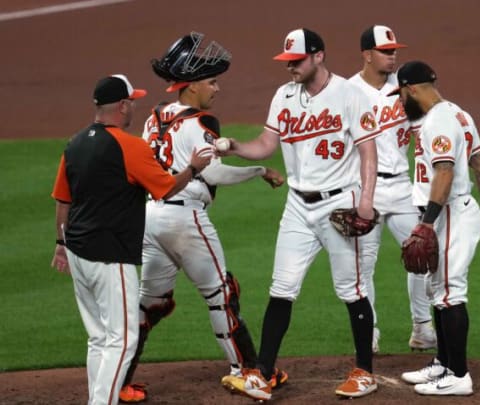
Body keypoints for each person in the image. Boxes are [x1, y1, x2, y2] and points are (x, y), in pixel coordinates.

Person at [117, 32, 286, 403]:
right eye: (211, 81)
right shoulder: (203, 121)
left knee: (149, 305)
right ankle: (248, 374)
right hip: (185, 220)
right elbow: (213, 174)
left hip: (150, 218)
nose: (217, 88)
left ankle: (121, 382)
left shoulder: (154, 117)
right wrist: (258, 173)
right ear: (191, 86)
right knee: (221, 295)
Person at [219, 28, 381, 400]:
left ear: (319, 56)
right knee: (282, 288)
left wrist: (366, 200)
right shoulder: (284, 95)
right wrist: (234, 146)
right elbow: (266, 144)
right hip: (297, 204)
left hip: (340, 202)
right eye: (287, 61)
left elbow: (368, 152)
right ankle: (262, 374)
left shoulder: (349, 94)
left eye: (297, 60)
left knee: (351, 289)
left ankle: (364, 372)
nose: (291, 66)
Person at [51, 74, 212, 405]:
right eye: (132, 101)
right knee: (123, 340)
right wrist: (193, 169)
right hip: (110, 256)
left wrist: (60, 245)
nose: (135, 106)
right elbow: (166, 188)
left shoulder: (75, 142)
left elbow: (62, 200)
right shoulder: (130, 146)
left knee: (99, 337)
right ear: (122, 106)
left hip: (78, 252)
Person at [391, 61, 480, 396]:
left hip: (450, 211)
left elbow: (444, 173)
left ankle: (458, 375)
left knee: (449, 292)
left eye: (400, 93)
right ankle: (443, 361)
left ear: (411, 88)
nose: (400, 101)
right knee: (437, 291)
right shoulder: (459, 114)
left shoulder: (438, 121)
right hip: (456, 209)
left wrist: (426, 223)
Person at [348, 25, 436, 353]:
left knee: (422, 255)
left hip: (401, 187)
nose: (392, 55)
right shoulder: (347, 91)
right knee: (365, 264)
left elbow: (423, 133)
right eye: (385, 51)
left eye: (394, 50)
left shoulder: (405, 86)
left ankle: (422, 327)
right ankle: (367, 331)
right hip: (363, 188)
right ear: (367, 55)